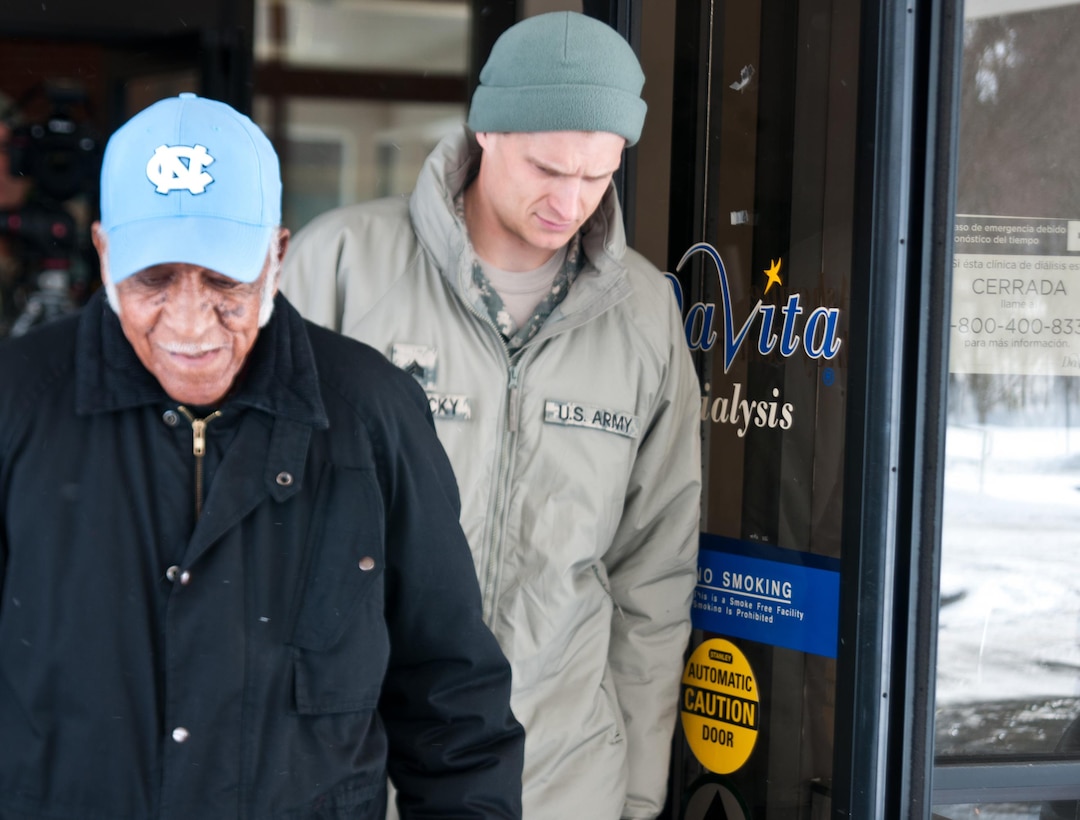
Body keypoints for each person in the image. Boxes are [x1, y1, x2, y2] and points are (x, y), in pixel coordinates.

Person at [0, 93, 524, 820]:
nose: (188, 323)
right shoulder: (17, 404)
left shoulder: (371, 412)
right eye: (153, 279)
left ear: (277, 255)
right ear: (104, 252)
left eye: (224, 281)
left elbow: (451, 702)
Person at [282, 12, 702, 820]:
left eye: (598, 176)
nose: (570, 200)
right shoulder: (338, 267)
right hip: (365, 776)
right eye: (549, 168)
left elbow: (654, 571)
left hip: (565, 780)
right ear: (486, 131)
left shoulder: (646, 313)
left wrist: (639, 790)